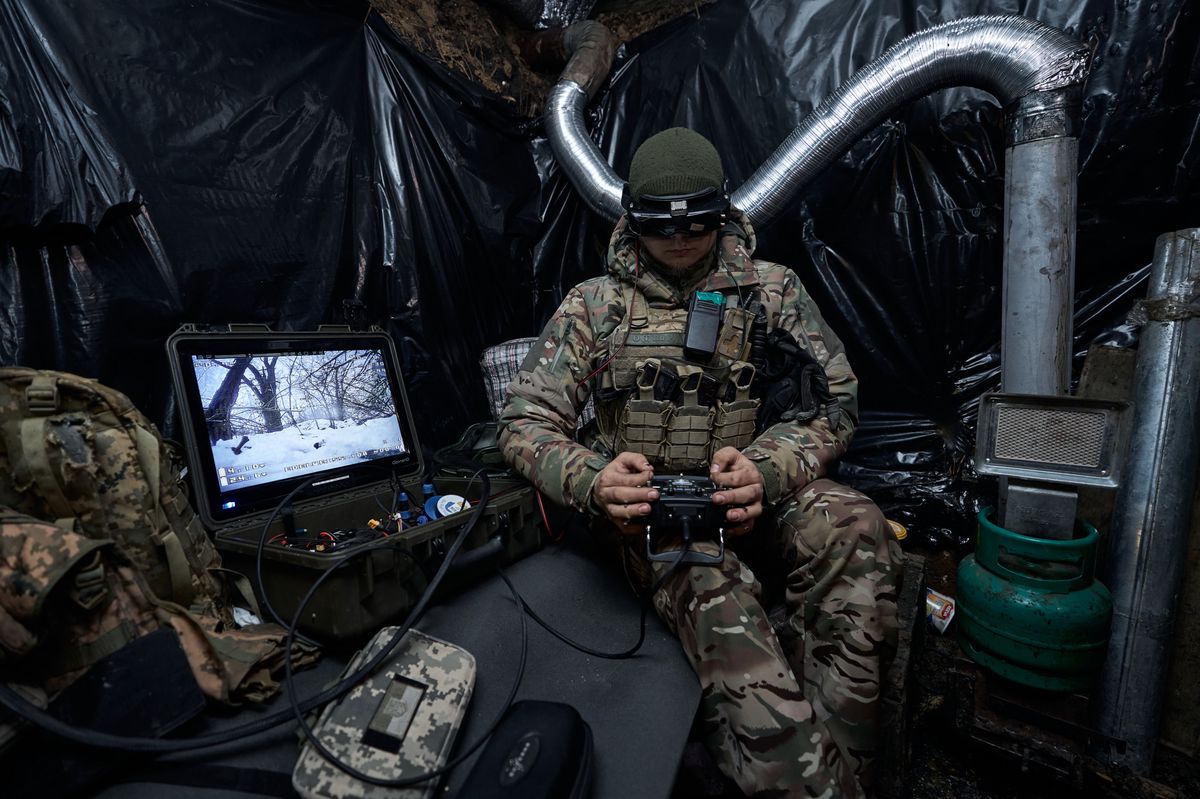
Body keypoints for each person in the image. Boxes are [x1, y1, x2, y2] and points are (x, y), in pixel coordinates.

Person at [499, 127, 901, 798]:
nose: (682, 240)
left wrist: (766, 468)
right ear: (633, 218)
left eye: (698, 224)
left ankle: (839, 772)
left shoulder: (770, 293)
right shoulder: (592, 306)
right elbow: (523, 422)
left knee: (857, 525)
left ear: (722, 212)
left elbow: (835, 404)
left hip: (750, 497)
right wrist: (595, 481)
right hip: (647, 522)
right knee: (710, 583)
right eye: (663, 226)